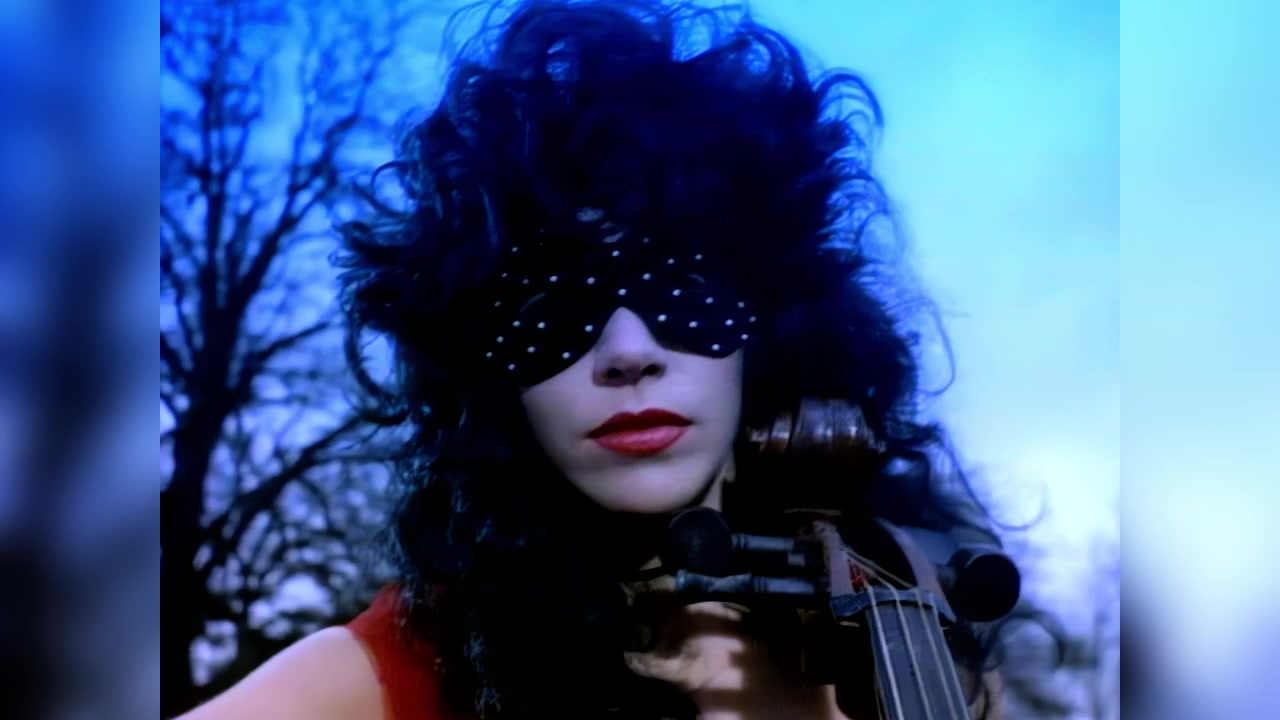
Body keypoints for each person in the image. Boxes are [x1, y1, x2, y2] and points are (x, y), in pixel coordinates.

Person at [179, 1, 1025, 718]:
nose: (627, 353)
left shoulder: (929, 664)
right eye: (555, 309)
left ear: (768, 324)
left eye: (682, 284)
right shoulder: (386, 677)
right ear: (491, 376)